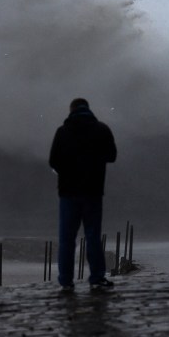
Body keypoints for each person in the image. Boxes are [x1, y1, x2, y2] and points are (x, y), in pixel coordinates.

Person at [49, 98, 117, 292]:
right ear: (88, 109)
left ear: (71, 111)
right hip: (93, 192)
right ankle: (96, 278)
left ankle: (66, 281)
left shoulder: (62, 132)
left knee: (66, 239)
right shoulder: (102, 129)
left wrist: (66, 169)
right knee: (93, 236)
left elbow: (53, 160)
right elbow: (112, 156)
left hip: (68, 193)